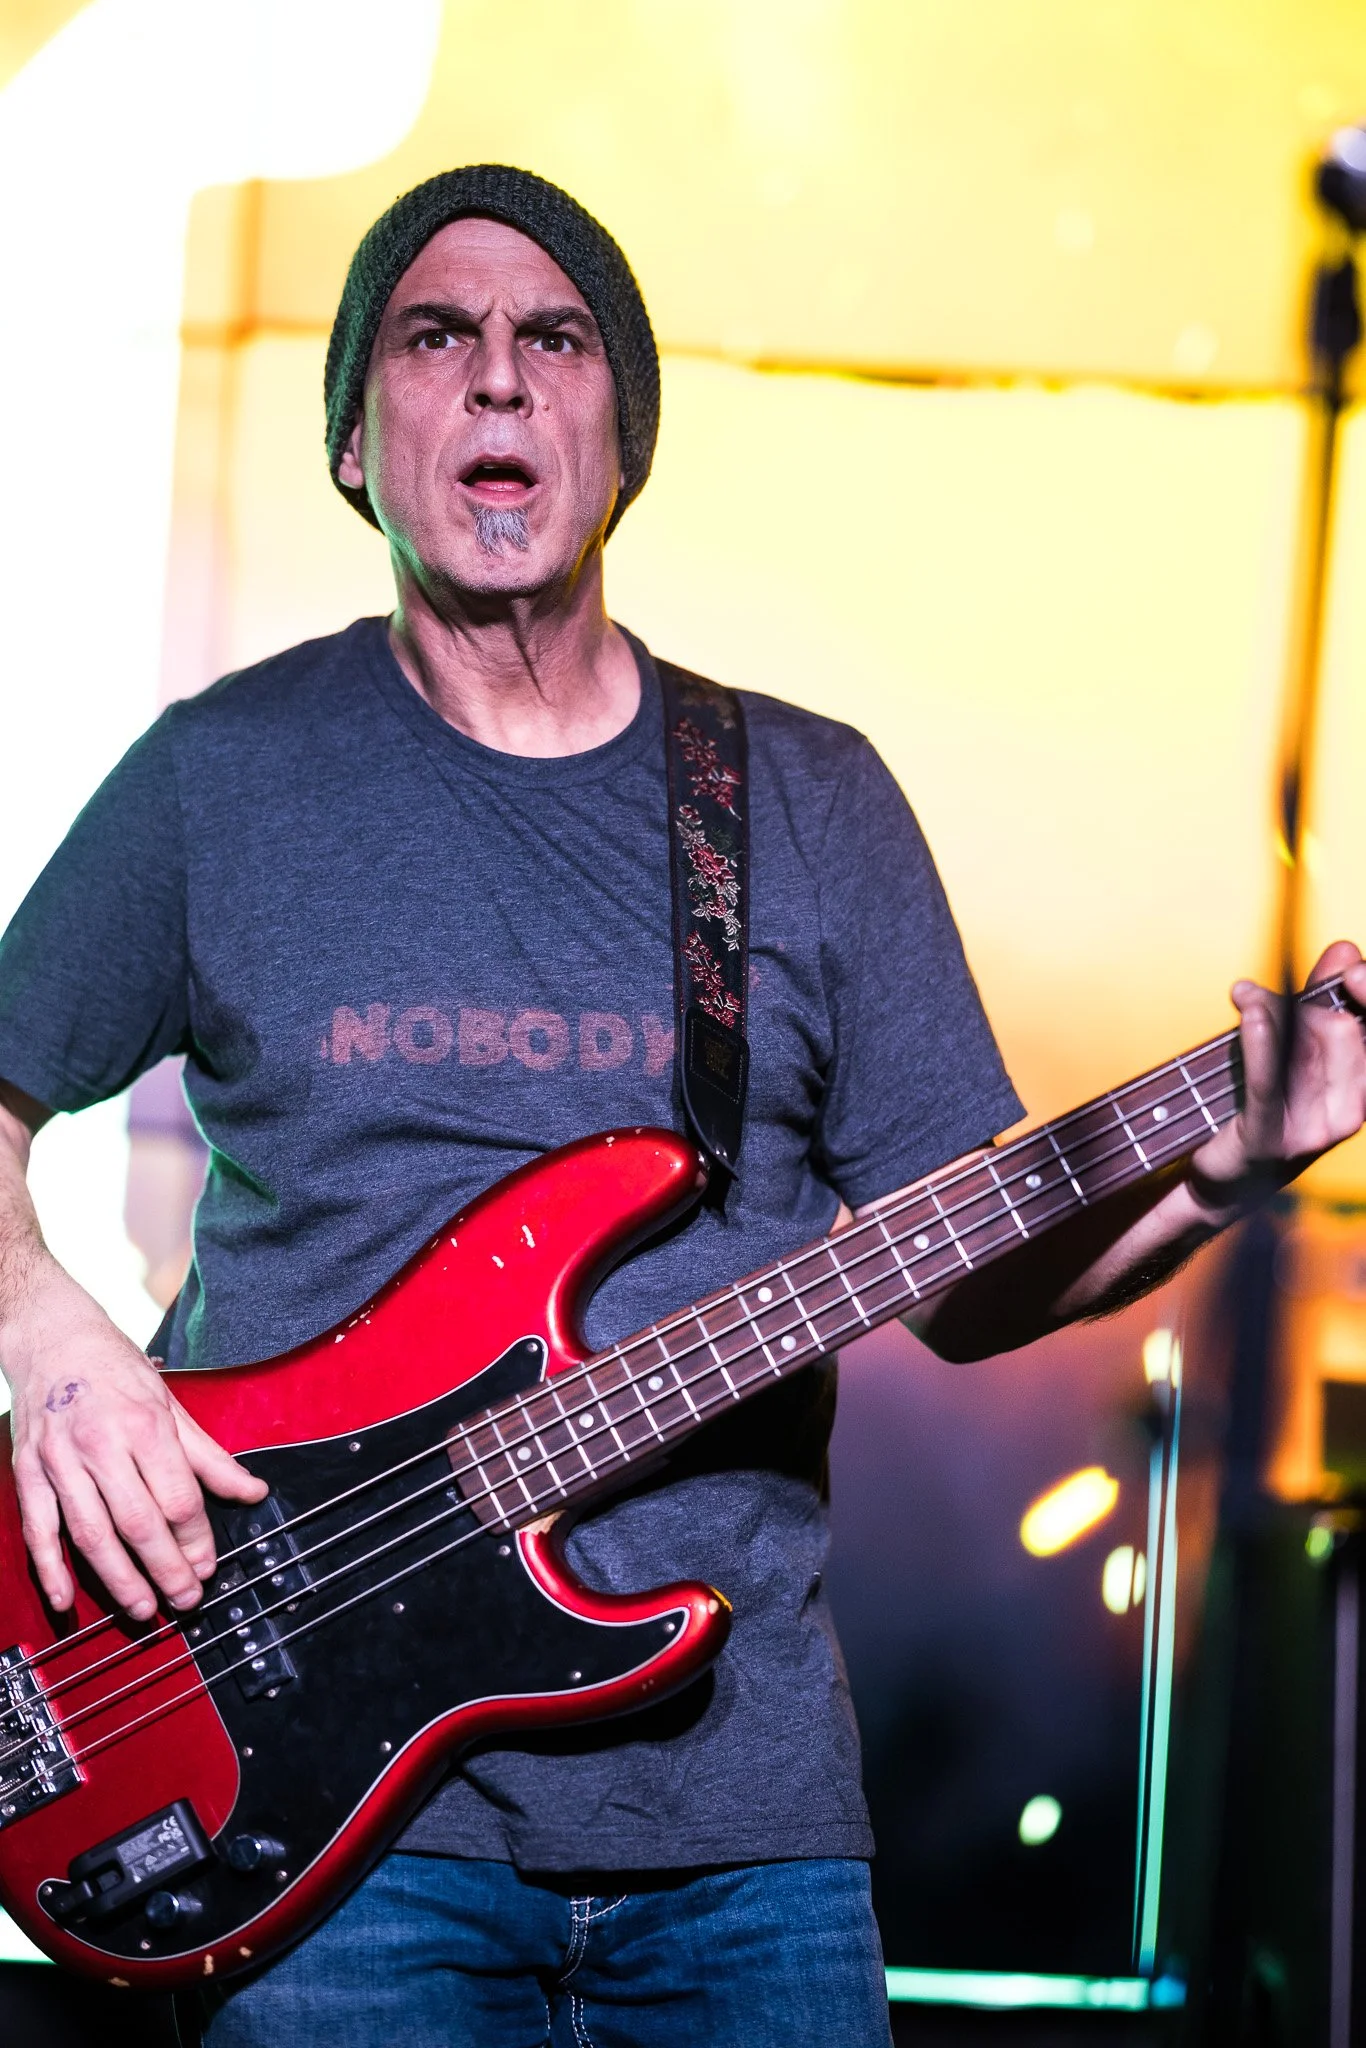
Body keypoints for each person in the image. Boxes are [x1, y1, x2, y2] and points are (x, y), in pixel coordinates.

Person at [0, 166, 1362, 2048]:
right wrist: (53, 1338)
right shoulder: (216, 781)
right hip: (309, 1820)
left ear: (621, 433)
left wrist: (1213, 1171)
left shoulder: (802, 803)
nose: (496, 380)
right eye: (434, 335)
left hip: (744, 1840)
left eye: (552, 340)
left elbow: (958, 1276)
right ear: (349, 441)